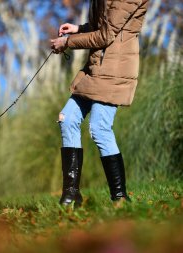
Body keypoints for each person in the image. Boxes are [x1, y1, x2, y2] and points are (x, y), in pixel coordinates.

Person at [50, 0, 149, 207]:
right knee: (67, 119)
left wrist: (68, 42)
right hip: (95, 68)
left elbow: (106, 35)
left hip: (114, 71)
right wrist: (78, 29)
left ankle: (120, 197)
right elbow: (103, 25)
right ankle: (71, 195)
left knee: (99, 128)